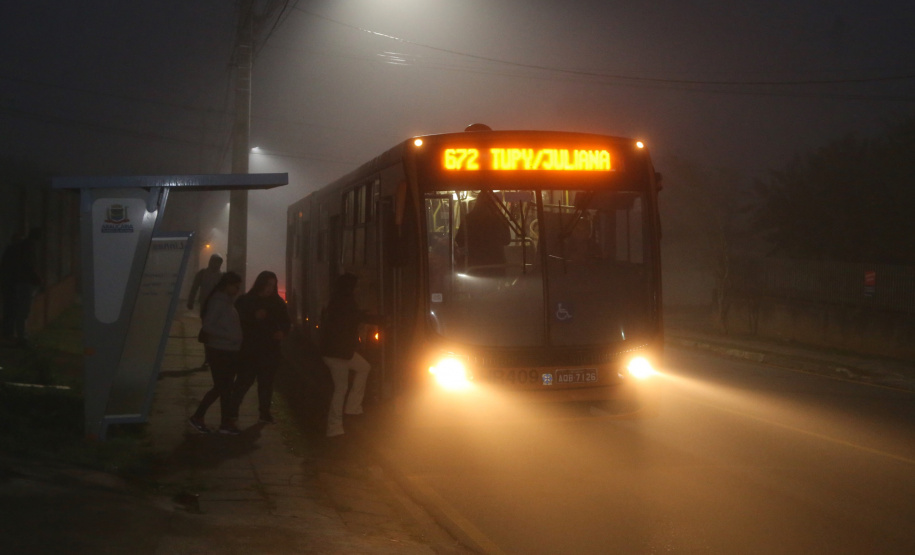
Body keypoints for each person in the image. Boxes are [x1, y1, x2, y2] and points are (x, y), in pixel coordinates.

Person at [320, 273, 382, 437]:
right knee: (341, 388)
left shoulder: (338, 300)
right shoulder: (345, 301)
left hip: (339, 351)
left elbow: (353, 316)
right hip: (338, 353)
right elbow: (354, 317)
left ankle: (351, 409)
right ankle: (335, 427)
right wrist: (378, 319)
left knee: (363, 368)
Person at [229, 271, 290, 424]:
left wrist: (282, 332)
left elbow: (286, 322)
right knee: (244, 381)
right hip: (250, 349)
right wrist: (253, 317)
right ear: (260, 284)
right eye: (267, 285)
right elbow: (236, 321)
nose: (270, 289)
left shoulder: (277, 303)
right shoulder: (246, 300)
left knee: (266, 383)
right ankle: (232, 410)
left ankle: (264, 412)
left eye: (273, 285)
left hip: (270, 350)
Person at [189, 271, 244, 435]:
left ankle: (225, 423)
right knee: (221, 387)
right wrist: (230, 336)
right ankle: (198, 417)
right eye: (236, 286)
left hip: (228, 350)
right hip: (220, 351)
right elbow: (208, 326)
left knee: (225, 388)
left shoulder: (226, 302)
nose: (237, 290)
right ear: (227, 285)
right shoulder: (218, 302)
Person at [0, 228, 42, 345]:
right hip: (17, 282)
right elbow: (28, 266)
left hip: (12, 282)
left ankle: (10, 334)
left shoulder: (13, 250)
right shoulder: (25, 249)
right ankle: (16, 336)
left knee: (13, 309)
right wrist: (37, 279)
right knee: (19, 310)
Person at [454, 192, 511, 277]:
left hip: (475, 266)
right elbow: (507, 240)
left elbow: (459, 240)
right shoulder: (499, 218)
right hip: (497, 265)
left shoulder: (468, 219)